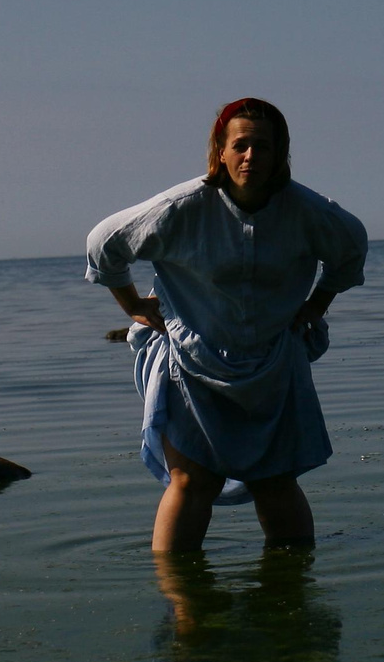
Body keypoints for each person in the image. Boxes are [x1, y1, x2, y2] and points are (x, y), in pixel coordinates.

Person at [87, 98, 367, 552]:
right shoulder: (181, 208)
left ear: (281, 155)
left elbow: (351, 250)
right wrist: (132, 305)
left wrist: (316, 305)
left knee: (276, 480)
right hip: (190, 362)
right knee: (190, 480)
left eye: (263, 147)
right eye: (240, 145)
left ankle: (290, 601)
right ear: (220, 150)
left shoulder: (307, 212)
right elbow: (104, 244)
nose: (251, 156)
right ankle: (181, 601)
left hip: (274, 361)